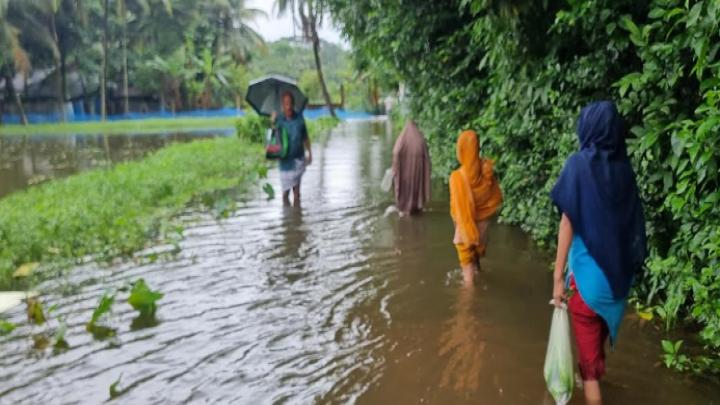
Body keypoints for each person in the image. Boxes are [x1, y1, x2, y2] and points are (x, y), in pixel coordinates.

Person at [550, 101, 647, 404]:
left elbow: (568, 221)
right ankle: (590, 371)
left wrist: (556, 277)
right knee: (593, 348)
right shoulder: (624, 171)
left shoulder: (579, 165)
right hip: (617, 287)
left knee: (589, 371)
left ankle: (591, 384)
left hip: (587, 288)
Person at [449, 130, 503, 287]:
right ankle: (478, 270)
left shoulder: (457, 178)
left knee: (467, 275)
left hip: (464, 226)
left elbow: (458, 208)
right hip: (483, 222)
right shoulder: (487, 170)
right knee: (477, 248)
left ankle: (469, 294)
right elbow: (495, 197)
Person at [271, 91, 312, 207]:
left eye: (290, 103)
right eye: (285, 104)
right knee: (285, 193)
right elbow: (273, 140)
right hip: (285, 162)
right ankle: (286, 220)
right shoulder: (279, 120)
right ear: (282, 106)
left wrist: (310, 152)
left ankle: (297, 219)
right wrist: (273, 123)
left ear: (293, 104)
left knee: (297, 193)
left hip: (298, 159)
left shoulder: (299, 118)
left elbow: (305, 137)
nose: (288, 106)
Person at [391, 120, 431, 215]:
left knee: (405, 191)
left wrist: (395, 168)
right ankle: (416, 207)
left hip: (404, 174)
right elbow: (427, 158)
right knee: (416, 188)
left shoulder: (402, 139)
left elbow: (396, 152)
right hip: (418, 171)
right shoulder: (420, 139)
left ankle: (405, 210)